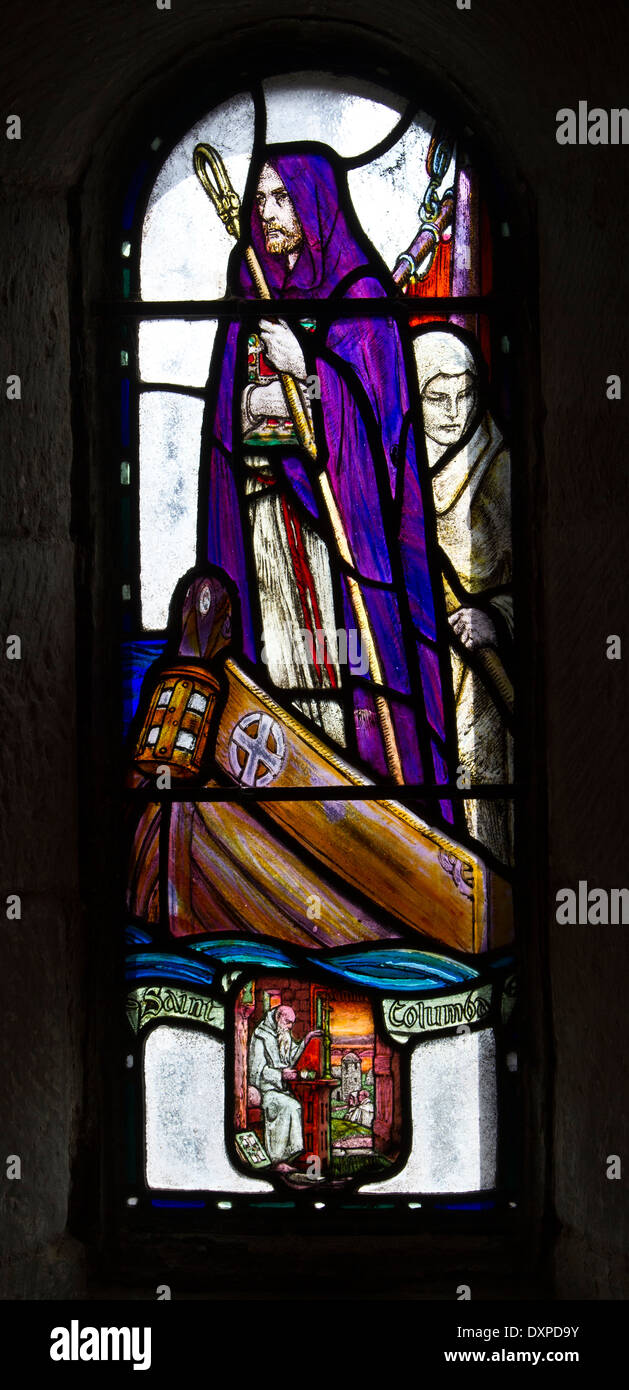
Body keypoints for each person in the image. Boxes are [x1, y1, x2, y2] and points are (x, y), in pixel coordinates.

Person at [200, 146, 456, 792]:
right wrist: (250, 403)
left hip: (337, 536)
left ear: (314, 204)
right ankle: (287, 785)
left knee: (342, 669)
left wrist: (308, 370)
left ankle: (358, 787)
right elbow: (229, 412)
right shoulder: (250, 285)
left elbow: (381, 426)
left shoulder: (361, 293)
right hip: (266, 520)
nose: (268, 212)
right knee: (285, 665)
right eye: (259, 201)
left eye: (281, 198)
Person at [414, 328, 513, 864]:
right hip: (421, 669)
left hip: (482, 681)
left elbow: (540, 597)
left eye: (466, 392)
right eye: (437, 395)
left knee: (481, 808)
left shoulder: (500, 470)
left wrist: (495, 619)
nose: (455, 411)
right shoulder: (396, 471)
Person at [248, 1006, 320, 1167]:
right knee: (291, 1106)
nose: (289, 1027)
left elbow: (291, 1058)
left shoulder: (283, 1034)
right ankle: (277, 1159)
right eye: (287, 1022)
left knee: (296, 1105)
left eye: (291, 1024)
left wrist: (306, 1040)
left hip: (281, 1090)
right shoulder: (261, 1036)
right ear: (278, 1017)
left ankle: (290, 1157)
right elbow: (256, 1071)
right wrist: (281, 1075)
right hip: (266, 1091)